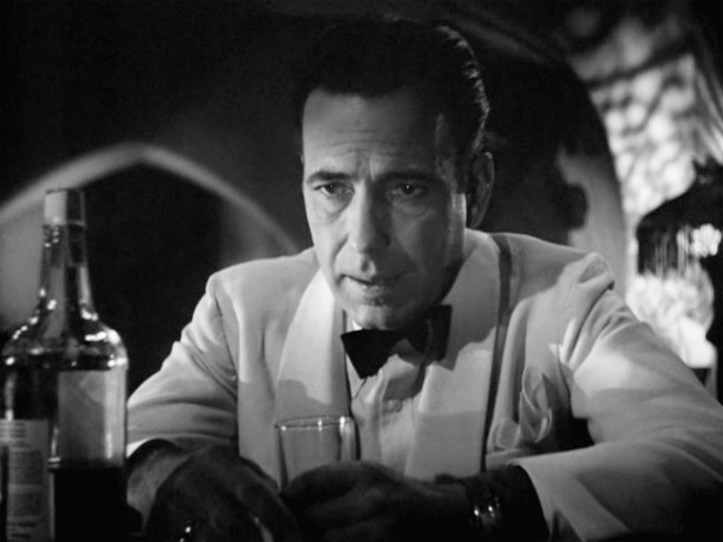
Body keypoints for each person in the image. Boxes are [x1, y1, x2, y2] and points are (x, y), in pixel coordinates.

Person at [126, 16, 723, 542]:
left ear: (476, 188)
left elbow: (704, 455)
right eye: (332, 188)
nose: (364, 238)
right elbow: (114, 449)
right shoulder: (238, 313)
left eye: (406, 188)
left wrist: (476, 508)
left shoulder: (565, 299)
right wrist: (162, 474)